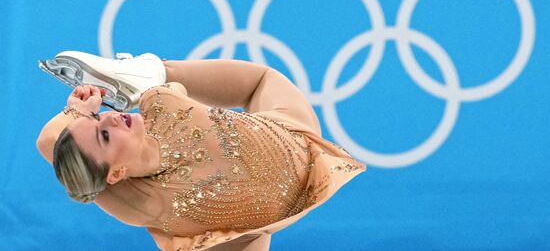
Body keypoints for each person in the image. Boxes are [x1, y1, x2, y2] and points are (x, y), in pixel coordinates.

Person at [36, 51, 366, 251]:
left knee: (261, 81)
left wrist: (80, 110)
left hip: (295, 147)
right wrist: (76, 114)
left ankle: (152, 71)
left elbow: (55, 142)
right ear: (116, 173)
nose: (110, 117)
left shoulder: (163, 105)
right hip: (247, 231)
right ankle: (154, 71)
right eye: (104, 136)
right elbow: (47, 143)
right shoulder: (133, 200)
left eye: (100, 116)